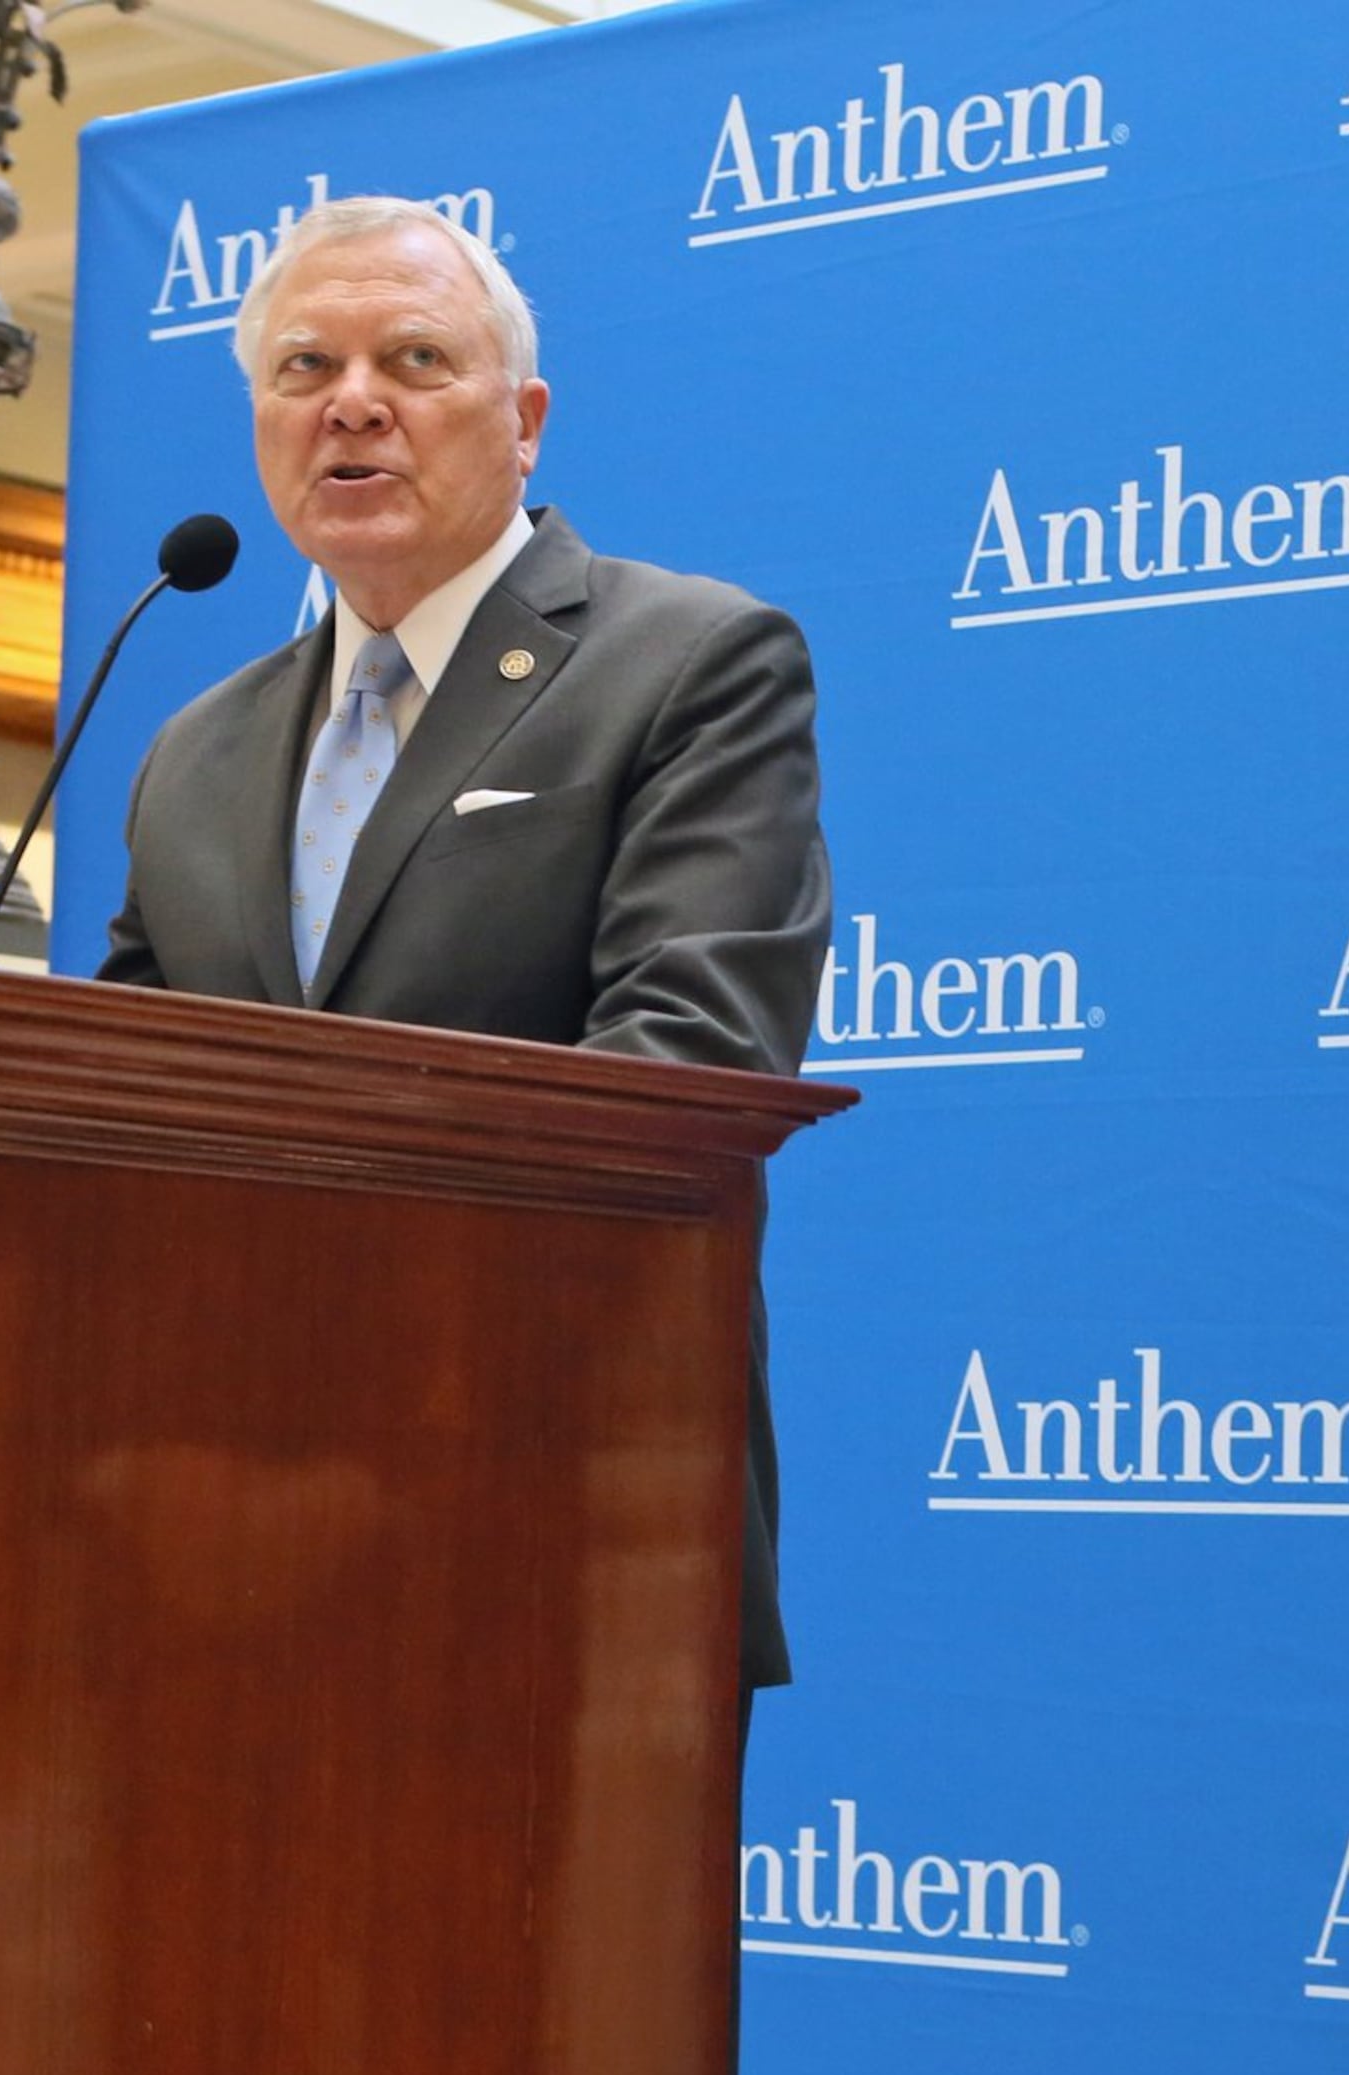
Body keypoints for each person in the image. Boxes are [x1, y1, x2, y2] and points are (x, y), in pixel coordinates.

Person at [100, 195, 830, 1696]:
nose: (352, 403)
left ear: (526, 420)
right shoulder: (194, 748)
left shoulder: (688, 663)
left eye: (416, 359)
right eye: (304, 370)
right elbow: (114, 1116)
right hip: (213, 1537)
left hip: (557, 1503)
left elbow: (681, 1075)